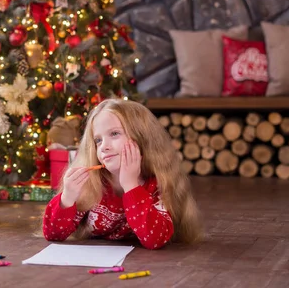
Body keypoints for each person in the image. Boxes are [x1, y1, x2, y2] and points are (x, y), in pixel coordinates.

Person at [42, 98, 203, 249]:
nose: (104, 146)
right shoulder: (91, 183)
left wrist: (131, 185)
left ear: (142, 138)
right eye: (98, 140)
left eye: (114, 134)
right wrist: (67, 198)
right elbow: (53, 234)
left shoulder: (157, 184)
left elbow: (155, 240)